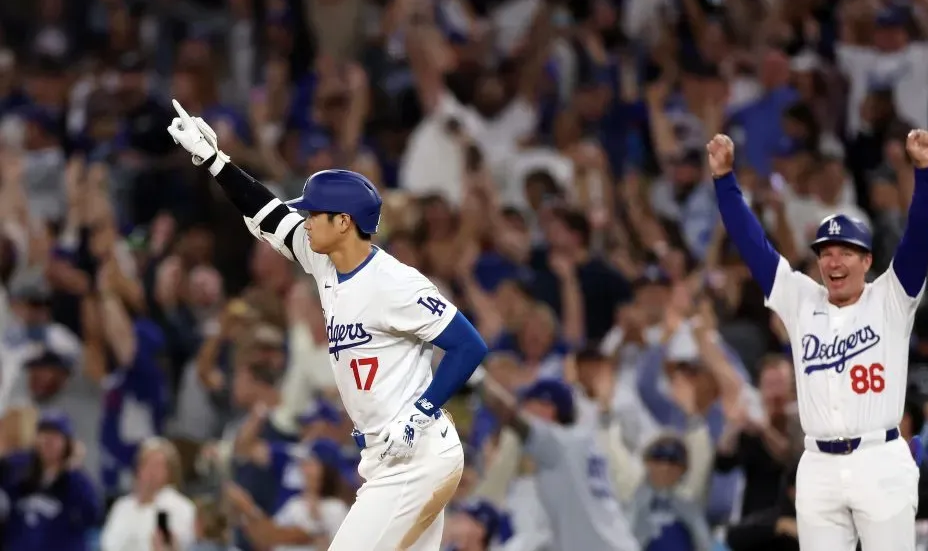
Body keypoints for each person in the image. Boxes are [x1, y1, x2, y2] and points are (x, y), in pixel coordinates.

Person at [166, 100, 488, 551]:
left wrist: (421, 411)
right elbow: (269, 213)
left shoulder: (393, 283)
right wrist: (217, 161)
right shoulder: (324, 260)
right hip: (387, 456)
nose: (306, 219)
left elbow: (469, 346)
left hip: (417, 456)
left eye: (315, 213)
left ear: (344, 222)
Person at [706, 129, 928, 551]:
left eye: (846, 251)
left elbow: (919, 236)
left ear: (867, 260)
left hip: (879, 459)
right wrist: (725, 181)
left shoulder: (891, 296)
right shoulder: (801, 299)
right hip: (818, 466)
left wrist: (925, 173)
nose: (833, 260)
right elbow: (752, 244)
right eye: (825, 252)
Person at [475, 375, 640, 551]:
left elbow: (510, 413)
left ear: (548, 409)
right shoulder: (583, 444)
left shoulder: (559, 445)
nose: (525, 408)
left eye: (529, 403)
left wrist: (471, 374)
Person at [0, 411, 102, 551]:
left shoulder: (77, 480)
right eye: (43, 435)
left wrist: (71, 470)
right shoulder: (19, 470)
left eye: (54, 436)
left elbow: (91, 515)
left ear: (67, 443)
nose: (47, 442)